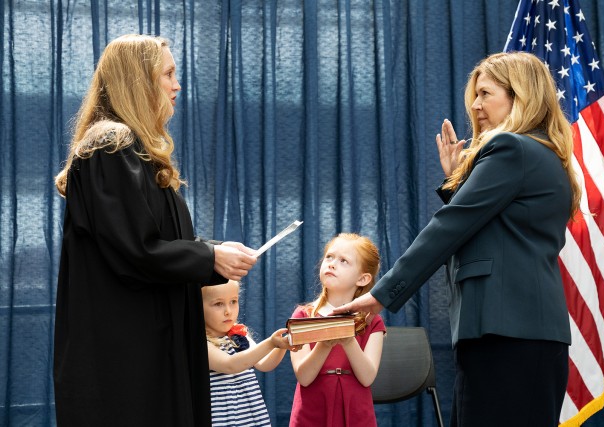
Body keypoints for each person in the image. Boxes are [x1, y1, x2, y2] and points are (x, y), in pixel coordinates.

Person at [332, 52, 582, 427]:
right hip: (514, 333)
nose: (475, 106)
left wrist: (381, 295)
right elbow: (494, 227)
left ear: (521, 97)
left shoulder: (512, 148)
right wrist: (458, 183)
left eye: (485, 94)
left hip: (507, 335)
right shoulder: (540, 153)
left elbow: (450, 227)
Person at [53, 34, 257, 427]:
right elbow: (135, 249)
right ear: (137, 81)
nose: (177, 85)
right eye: (168, 74)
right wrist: (209, 256)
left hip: (148, 341)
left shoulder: (132, 148)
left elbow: (154, 240)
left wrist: (214, 253)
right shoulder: (111, 146)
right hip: (127, 352)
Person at [289, 233, 386, 427]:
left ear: (363, 278)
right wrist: (324, 344)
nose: (332, 264)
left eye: (343, 261)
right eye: (329, 257)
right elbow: (304, 377)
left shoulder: (372, 321)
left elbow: (367, 377)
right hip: (311, 412)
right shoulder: (302, 315)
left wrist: (348, 340)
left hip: (357, 412)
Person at [203, 280, 297, 426]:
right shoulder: (202, 343)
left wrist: (282, 345)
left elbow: (264, 363)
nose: (228, 310)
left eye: (233, 301)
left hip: (249, 418)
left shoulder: (239, 337)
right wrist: (271, 343)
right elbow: (230, 365)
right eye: (218, 304)